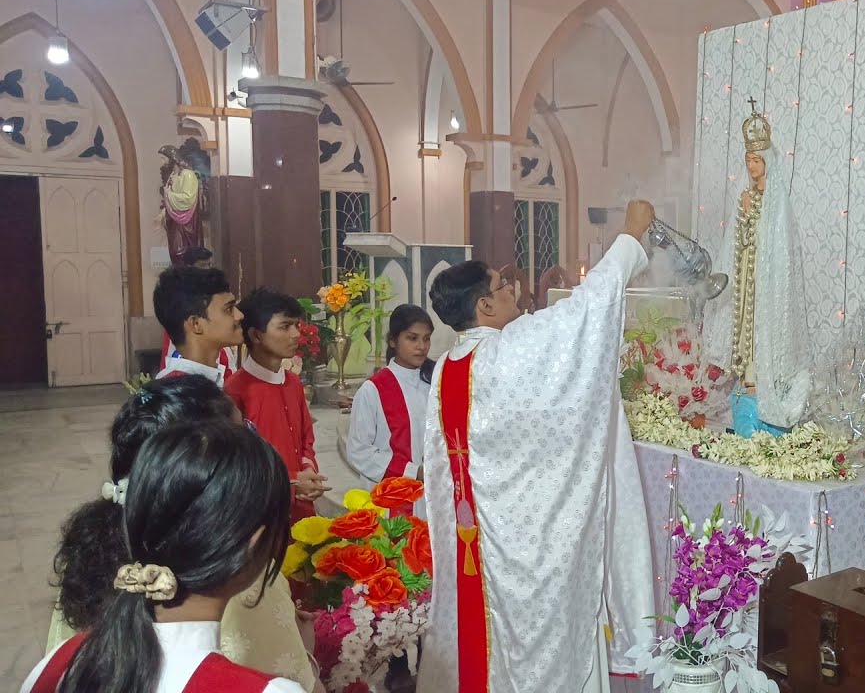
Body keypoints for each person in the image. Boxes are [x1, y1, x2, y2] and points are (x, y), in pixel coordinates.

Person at [416, 200, 656, 693]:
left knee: (484, 649)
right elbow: (588, 308)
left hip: (478, 545)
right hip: (527, 552)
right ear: (484, 307)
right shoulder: (509, 353)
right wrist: (631, 234)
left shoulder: (448, 368)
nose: (514, 292)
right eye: (502, 287)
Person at [45, 377, 318, 691]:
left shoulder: (53, 666)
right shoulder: (240, 574)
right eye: (240, 435)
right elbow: (293, 675)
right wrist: (307, 653)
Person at [702, 100, 811, 436]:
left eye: (756, 160)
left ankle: (761, 381)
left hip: (767, 281)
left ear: (767, 162)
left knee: (762, 327)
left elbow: (779, 246)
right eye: (748, 160)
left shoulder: (776, 201)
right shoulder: (745, 197)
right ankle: (746, 379)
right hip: (746, 274)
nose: (751, 166)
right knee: (743, 327)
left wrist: (754, 220)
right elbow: (739, 239)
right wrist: (746, 217)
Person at [225, 288, 330, 524]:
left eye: (296, 325)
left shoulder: (293, 382)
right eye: (285, 326)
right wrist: (292, 480)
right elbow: (242, 463)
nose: (296, 334)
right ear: (256, 335)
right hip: (264, 511)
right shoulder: (235, 391)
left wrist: (308, 471)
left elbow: (306, 439)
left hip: (301, 505)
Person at [345, 304, 435, 514]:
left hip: (434, 497)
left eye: (426, 338)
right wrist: (414, 472)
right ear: (393, 341)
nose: (422, 346)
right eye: (412, 338)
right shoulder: (373, 390)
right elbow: (359, 451)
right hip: (392, 501)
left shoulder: (435, 382)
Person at [153, 266, 243, 386]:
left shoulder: (209, 381)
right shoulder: (176, 392)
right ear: (196, 324)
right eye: (229, 309)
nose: (240, 315)